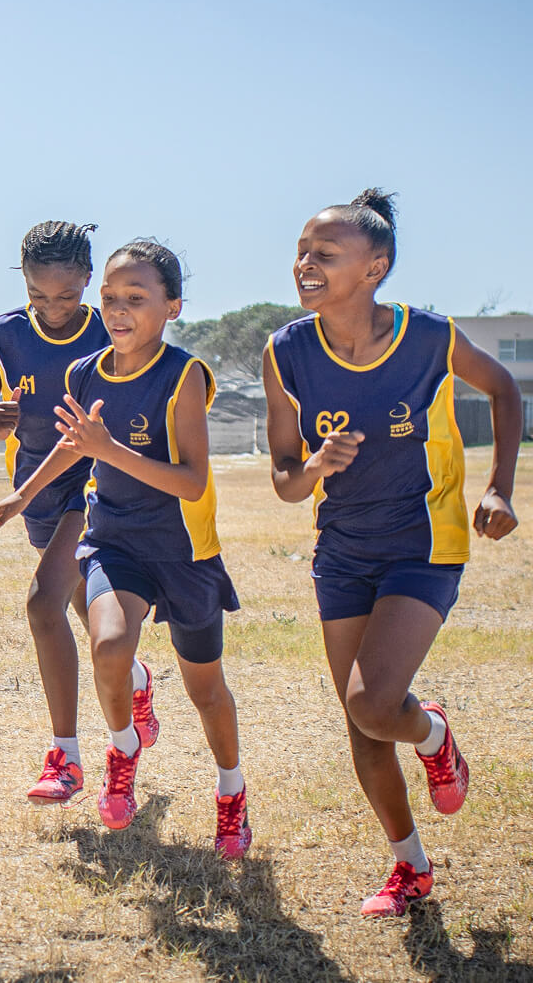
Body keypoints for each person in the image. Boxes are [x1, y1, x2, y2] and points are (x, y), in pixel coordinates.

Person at [262, 189, 521, 917]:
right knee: (363, 722)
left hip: (423, 543)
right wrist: (315, 469)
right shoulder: (286, 351)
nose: (305, 265)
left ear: (375, 267)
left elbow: (503, 389)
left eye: (326, 255)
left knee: (375, 703)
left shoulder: (430, 336)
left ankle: (434, 734)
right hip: (341, 549)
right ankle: (409, 865)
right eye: (303, 252)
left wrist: (500, 488)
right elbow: (285, 479)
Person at [0, 240, 252, 859]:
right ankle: (122, 748)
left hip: (184, 553)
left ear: (172, 306)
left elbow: (191, 481)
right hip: (115, 542)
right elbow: (76, 444)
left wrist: (108, 448)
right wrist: (21, 495)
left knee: (206, 692)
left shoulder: (184, 377)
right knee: (107, 644)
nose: (119, 310)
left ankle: (231, 791)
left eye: (136, 298)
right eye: (110, 299)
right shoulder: (85, 372)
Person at [0, 221, 159, 804]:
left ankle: (65, 758)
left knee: (42, 602)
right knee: (86, 616)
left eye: (67, 296)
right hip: (36, 490)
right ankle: (136, 681)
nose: (53, 309)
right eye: (38, 296)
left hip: (98, 488)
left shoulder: (114, 328)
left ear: (88, 279)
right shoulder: (3, 333)